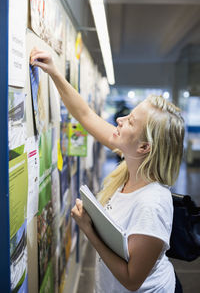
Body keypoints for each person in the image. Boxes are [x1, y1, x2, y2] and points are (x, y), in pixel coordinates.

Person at [30, 48, 184, 292]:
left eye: (131, 121)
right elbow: (84, 114)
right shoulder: (131, 160)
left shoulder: (152, 204)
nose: (120, 120)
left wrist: (89, 230)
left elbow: (132, 279)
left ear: (144, 147)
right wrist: (54, 72)